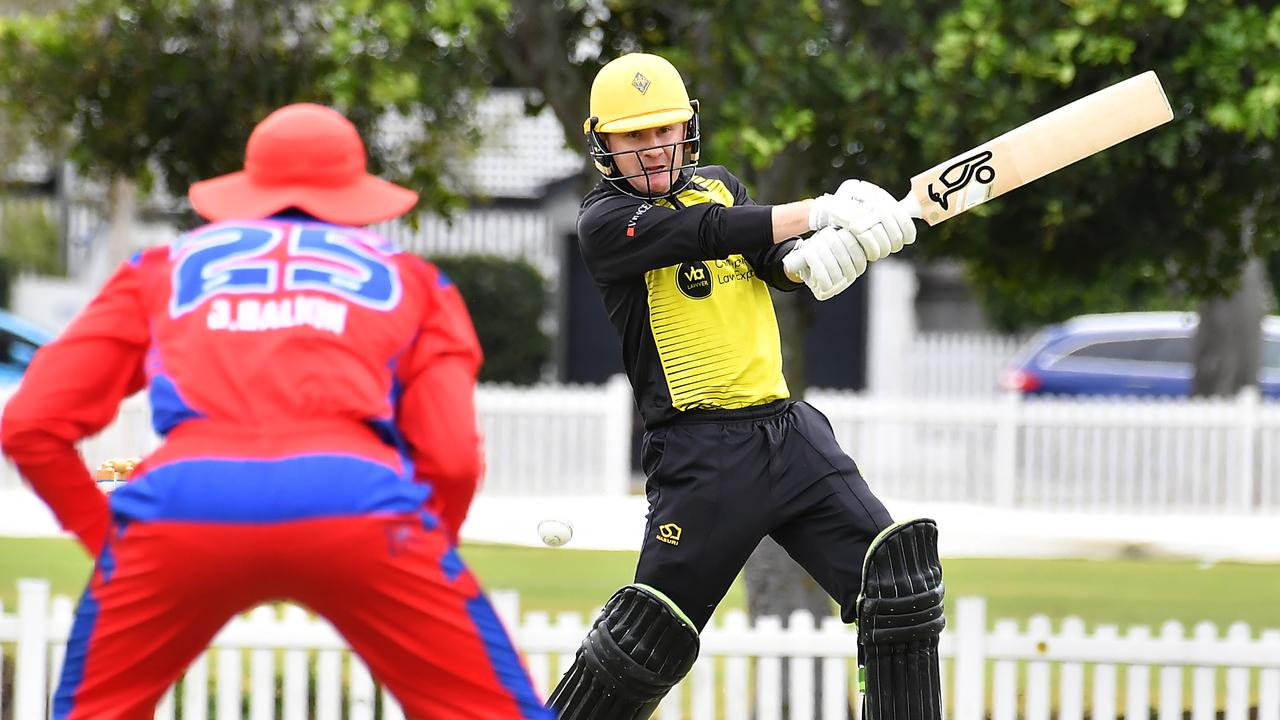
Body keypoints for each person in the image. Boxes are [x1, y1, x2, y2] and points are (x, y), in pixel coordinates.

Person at [0, 103, 552, 720]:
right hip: (358, 503)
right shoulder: (418, 282)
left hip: (183, 502)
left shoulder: (159, 269)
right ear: (354, 192)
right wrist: (412, 552)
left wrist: (109, 541)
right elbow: (450, 460)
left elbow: (29, 426)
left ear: (249, 186)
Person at [546, 54, 945, 720]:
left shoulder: (721, 186)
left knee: (898, 584)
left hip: (792, 440)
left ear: (687, 128)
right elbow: (702, 233)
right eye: (634, 136)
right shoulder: (605, 222)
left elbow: (766, 257)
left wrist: (811, 259)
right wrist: (821, 209)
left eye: (664, 130)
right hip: (703, 460)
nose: (653, 148)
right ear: (603, 144)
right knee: (644, 641)